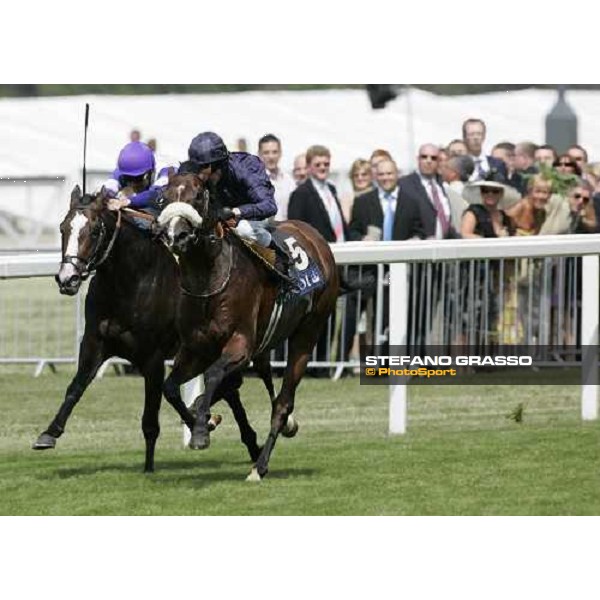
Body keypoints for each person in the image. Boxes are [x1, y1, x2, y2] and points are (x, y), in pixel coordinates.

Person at [184, 132, 292, 278]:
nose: (199, 175)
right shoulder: (202, 171)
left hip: (256, 215)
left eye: (202, 168)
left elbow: (269, 206)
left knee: (243, 229)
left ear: (218, 165)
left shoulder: (246, 168)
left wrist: (236, 212)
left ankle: (281, 260)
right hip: (223, 215)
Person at [101, 142, 165, 217]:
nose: (132, 183)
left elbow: (154, 195)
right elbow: (108, 188)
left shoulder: (164, 171)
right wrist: (104, 198)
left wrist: (128, 201)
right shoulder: (124, 169)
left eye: (137, 178)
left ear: (149, 173)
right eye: (128, 178)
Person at [258, 134, 295, 222]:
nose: (271, 157)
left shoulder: (289, 181)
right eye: (266, 152)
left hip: (288, 233)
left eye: (274, 152)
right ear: (259, 154)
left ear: (280, 153)